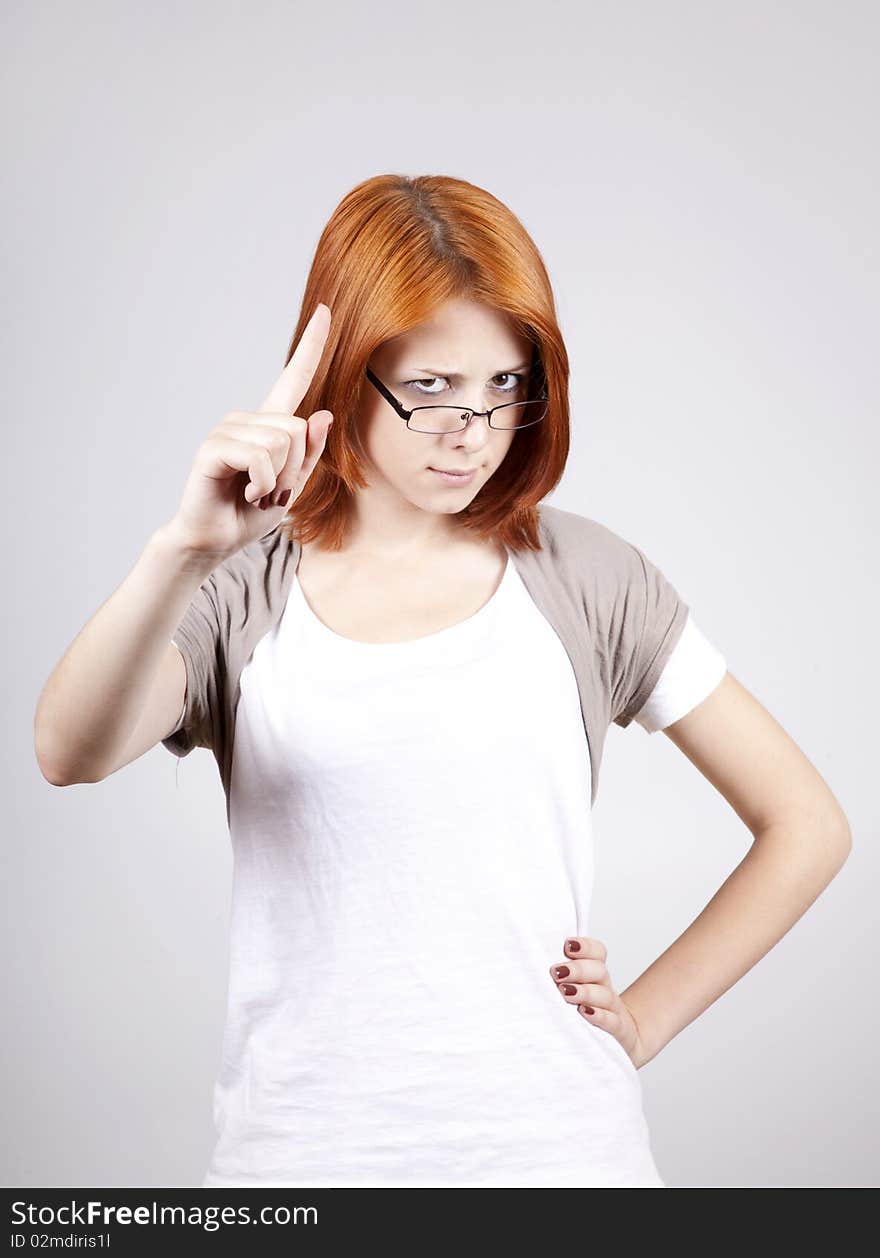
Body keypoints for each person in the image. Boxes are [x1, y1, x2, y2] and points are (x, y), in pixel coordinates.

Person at [34, 174, 852, 1189]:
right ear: (344, 372)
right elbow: (66, 752)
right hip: (302, 1164)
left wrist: (642, 1019)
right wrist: (181, 549)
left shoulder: (587, 577)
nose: (473, 427)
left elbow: (808, 825)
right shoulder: (240, 592)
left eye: (506, 385)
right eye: (429, 389)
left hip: (562, 1161)